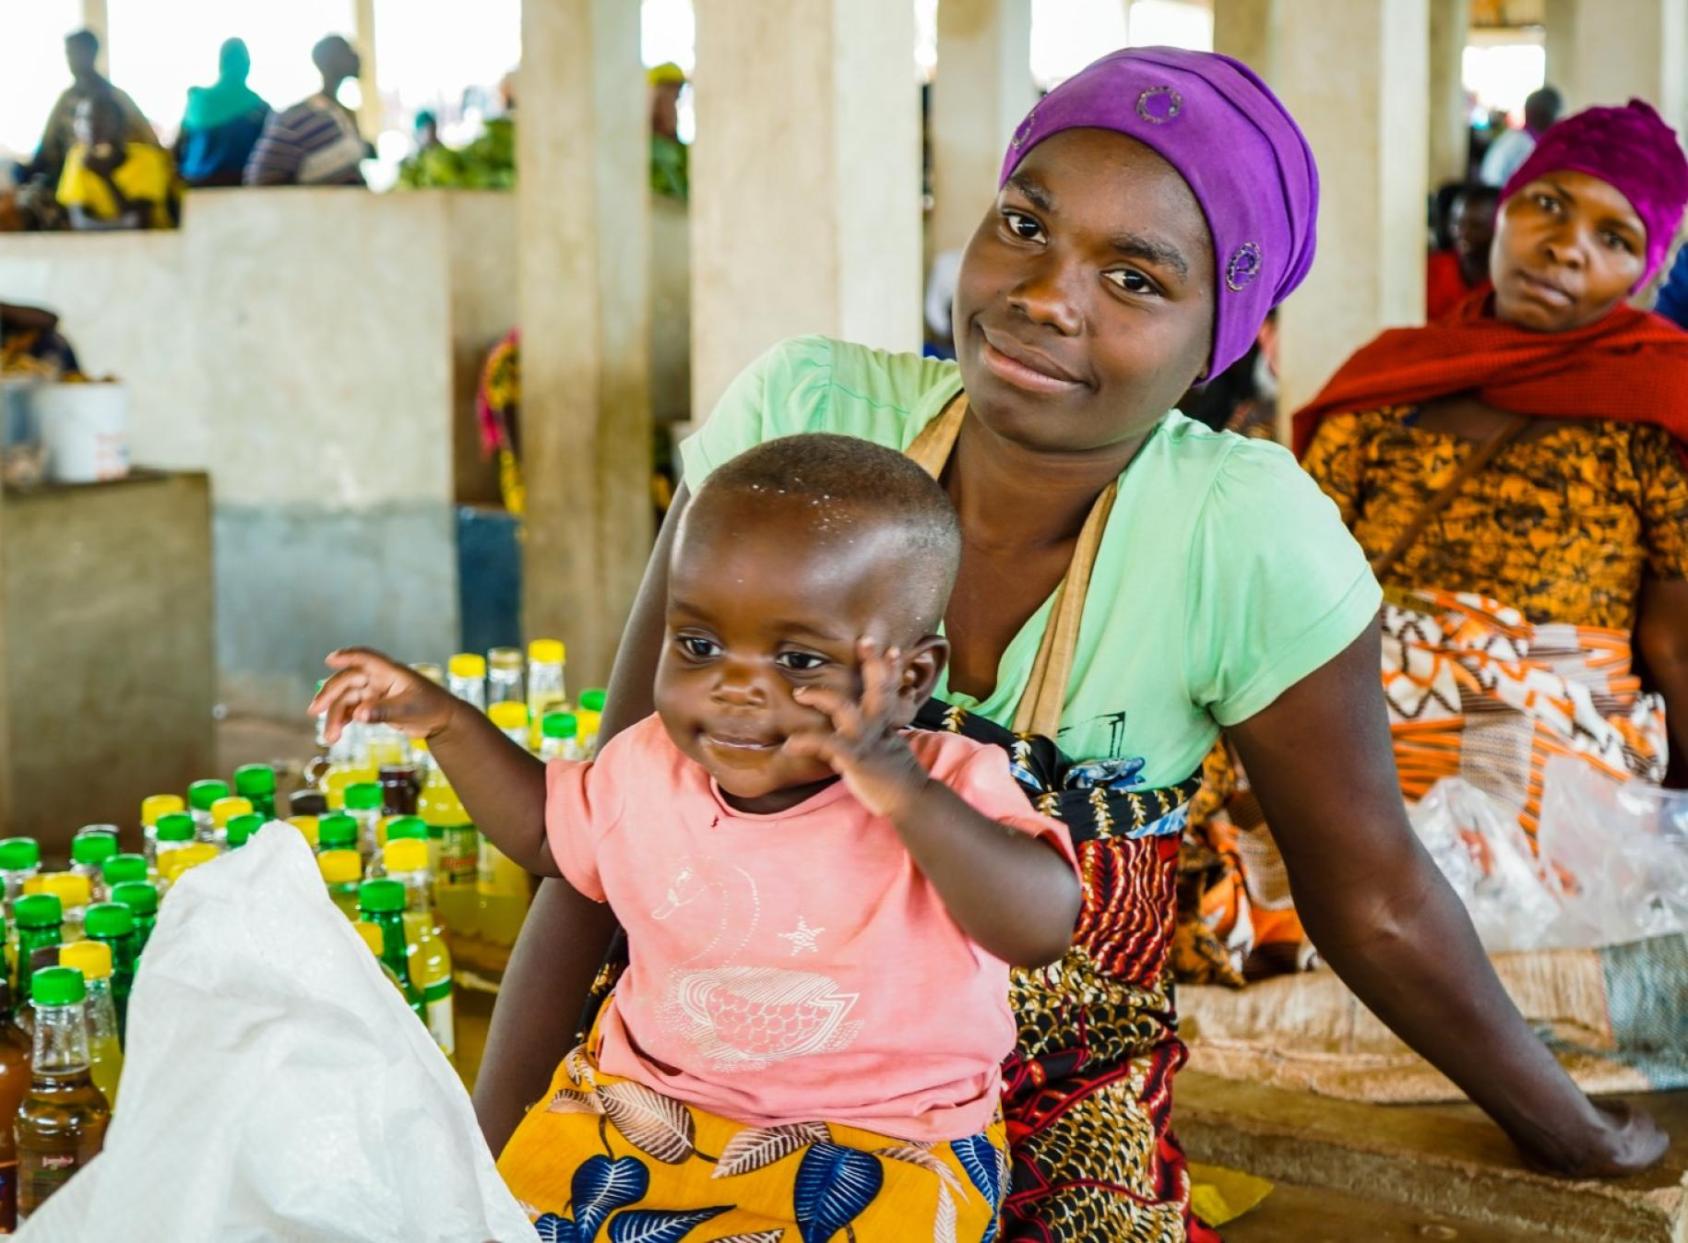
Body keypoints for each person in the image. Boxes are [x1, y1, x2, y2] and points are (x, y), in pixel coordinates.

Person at [476, 48, 1666, 1242]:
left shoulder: (1239, 533)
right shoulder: (807, 417)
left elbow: (1375, 898)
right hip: (703, 1065)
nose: (1047, 294)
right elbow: (604, 822)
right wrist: (474, 1167)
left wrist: (1567, 1129)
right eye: (1023, 224)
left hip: (1042, 1103)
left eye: (1136, 277)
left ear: (1221, 336)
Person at [311, 434, 1083, 1238]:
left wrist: (900, 786)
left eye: (797, 658)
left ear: (912, 679)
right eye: (700, 644)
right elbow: (547, 833)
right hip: (646, 1108)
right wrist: (446, 721)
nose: (736, 688)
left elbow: (1040, 925)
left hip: (884, 1141)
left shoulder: (951, 782)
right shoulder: (651, 763)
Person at [1281, 98, 1688, 926]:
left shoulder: (1660, 405)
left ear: (1642, 276)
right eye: (1547, 204)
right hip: (1368, 721)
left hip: (1565, 745)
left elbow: (1676, 643)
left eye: (1614, 239)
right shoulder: (1388, 381)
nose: (1567, 247)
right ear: (1502, 211)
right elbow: (1294, 586)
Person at [23, 29, 156, 188]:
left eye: (77, 53)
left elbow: (148, 141)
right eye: (68, 53)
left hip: (115, 180)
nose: (71, 60)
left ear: (92, 53)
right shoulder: (66, 98)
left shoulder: (116, 97)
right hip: (70, 179)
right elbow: (48, 144)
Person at [244, 35, 367, 187]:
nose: (357, 56)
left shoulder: (343, 114)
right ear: (330, 62)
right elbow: (259, 179)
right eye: (348, 51)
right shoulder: (296, 118)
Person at [57, 93, 178, 231]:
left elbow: (141, 222)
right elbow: (80, 222)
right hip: (100, 247)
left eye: (103, 119)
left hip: (155, 246)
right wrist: (124, 224)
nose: (92, 127)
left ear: (122, 125)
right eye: (85, 119)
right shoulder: (77, 156)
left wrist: (106, 177)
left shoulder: (148, 158)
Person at [175, 39, 270, 188]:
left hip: (192, 184)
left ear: (221, 64)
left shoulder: (198, 100)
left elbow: (180, 148)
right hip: (239, 186)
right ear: (246, 66)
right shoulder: (258, 108)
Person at [1426, 184, 1500, 319]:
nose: (1461, 232)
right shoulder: (1433, 269)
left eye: (1476, 226)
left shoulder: (1506, 283)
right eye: (1456, 223)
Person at [1480, 86, 1563, 187]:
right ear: (1542, 114)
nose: (1559, 120)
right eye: (1557, 113)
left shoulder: (1525, 139)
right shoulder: (1520, 145)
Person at [648, 62, 688, 201]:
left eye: (676, 97)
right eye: (668, 93)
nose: (673, 107)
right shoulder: (638, 148)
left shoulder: (683, 152)